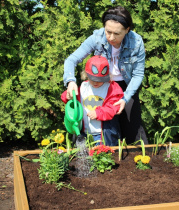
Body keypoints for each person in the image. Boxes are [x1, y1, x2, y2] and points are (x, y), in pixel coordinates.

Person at [63, 6, 148, 144]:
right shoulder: (97, 38)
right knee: (106, 130)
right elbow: (71, 60)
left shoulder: (136, 42)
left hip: (127, 87)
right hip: (102, 85)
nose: (111, 37)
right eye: (108, 32)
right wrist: (70, 81)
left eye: (117, 33)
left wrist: (125, 98)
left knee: (134, 130)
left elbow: (138, 74)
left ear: (127, 30)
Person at [61, 55, 124, 146]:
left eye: (99, 80)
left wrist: (98, 113)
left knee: (101, 157)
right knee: (82, 157)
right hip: (83, 132)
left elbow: (114, 107)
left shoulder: (112, 88)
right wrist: (67, 96)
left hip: (102, 134)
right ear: (86, 75)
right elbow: (73, 101)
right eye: (93, 79)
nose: (95, 82)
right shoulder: (83, 87)